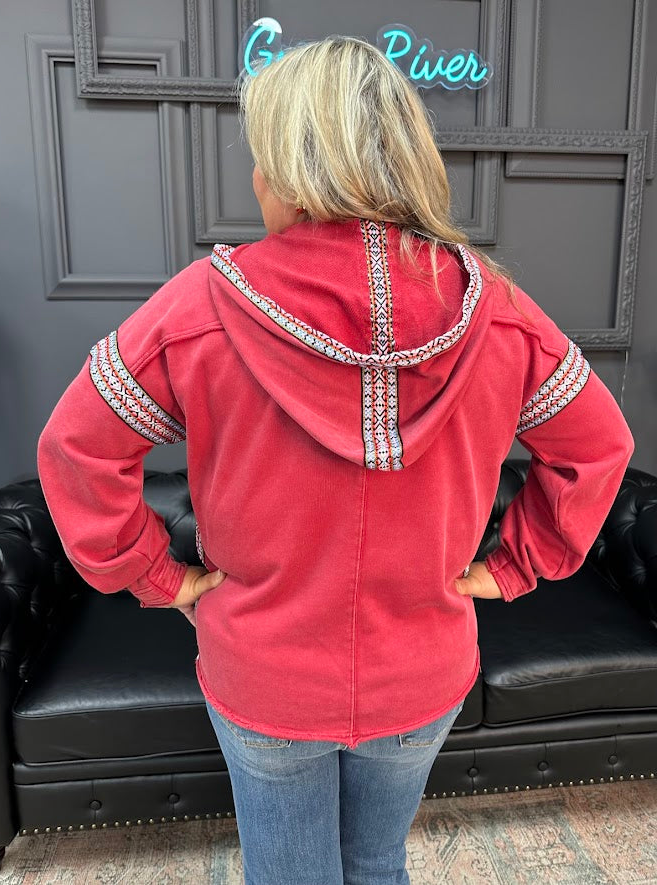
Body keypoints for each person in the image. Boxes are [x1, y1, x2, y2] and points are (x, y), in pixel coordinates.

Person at [36, 34, 634, 885]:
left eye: (263, 160)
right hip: (423, 669)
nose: (255, 181)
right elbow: (600, 443)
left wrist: (157, 577)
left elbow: (74, 445)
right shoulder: (493, 307)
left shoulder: (203, 306)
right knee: (375, 862)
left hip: (263, 672)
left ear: (290, 173)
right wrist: (517, 565)